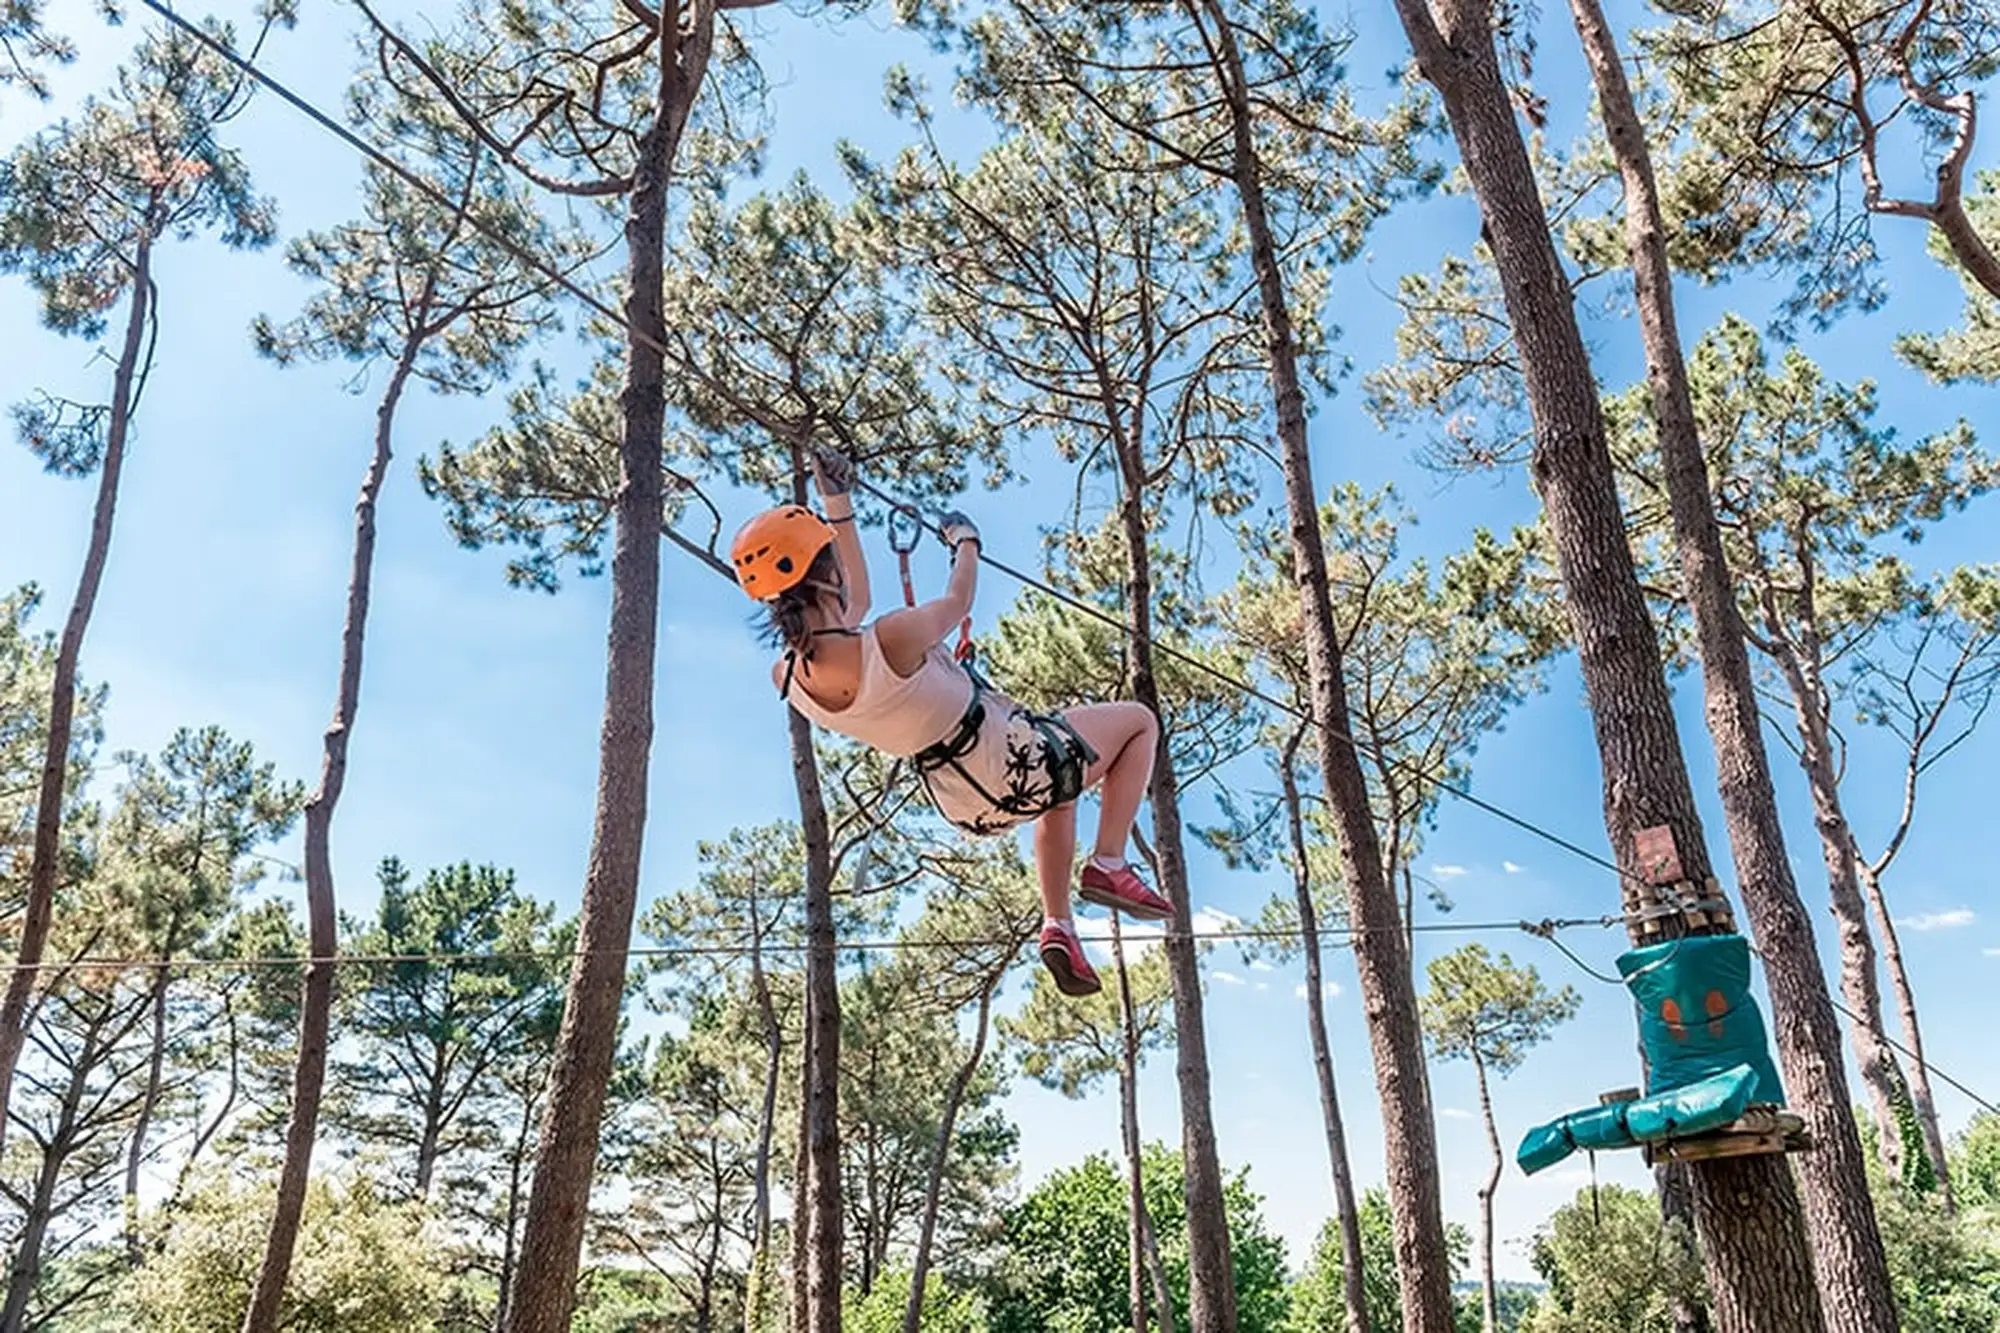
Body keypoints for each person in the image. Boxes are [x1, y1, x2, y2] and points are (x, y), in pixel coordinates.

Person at [730, 448, 1171, 997]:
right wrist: (967, 542)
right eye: (833, 563)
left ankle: (1057, 923)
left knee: (1062, 790)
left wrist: (836, 501)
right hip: (1007, 753)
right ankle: (1109, 861)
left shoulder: (788, 677)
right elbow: (958, 601)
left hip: (966, 802)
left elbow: (851, 605)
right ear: (826, 579)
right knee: (1137, 723)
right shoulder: (893, 637)